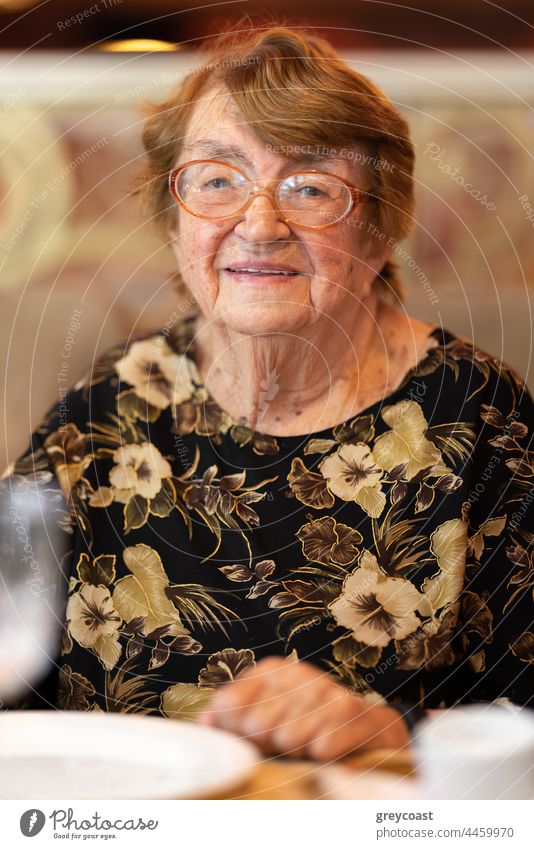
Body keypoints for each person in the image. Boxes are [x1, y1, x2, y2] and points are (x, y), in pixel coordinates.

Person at [6, 25, 533, 761]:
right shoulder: (104, 412)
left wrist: (393, 732)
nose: (257, 223)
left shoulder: (479, 416)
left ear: (380, 229)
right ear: (175, 219)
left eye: (310, 187)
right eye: (217, 179)